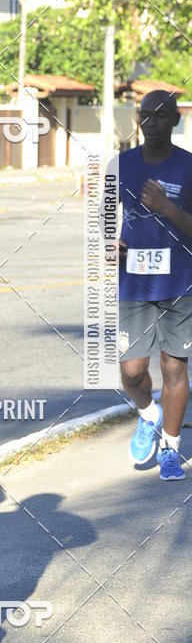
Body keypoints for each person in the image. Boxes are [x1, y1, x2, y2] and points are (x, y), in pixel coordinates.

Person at [117, 90, 192, 479]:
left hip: (180, 285)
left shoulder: (188, 167)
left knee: (174, 369)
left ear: (175, 121)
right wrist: (111, 239)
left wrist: (167, 208)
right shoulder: (122, 164)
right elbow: (101, 218)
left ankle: (171, 448)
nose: (152, 121)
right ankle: (149, 415)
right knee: (131, 371)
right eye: (145, 114)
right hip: (134, 284)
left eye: (161, 116)